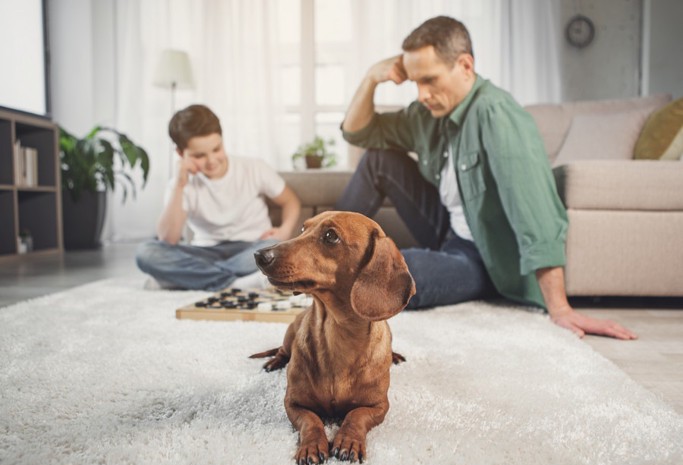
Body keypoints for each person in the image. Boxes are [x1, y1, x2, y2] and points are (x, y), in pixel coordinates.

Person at [335, 16, 636, 340]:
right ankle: (325, 249)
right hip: (448, 229)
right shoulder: (429, 114)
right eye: (415, 82)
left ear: (465, 66)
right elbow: (358, 132)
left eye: (430, 80)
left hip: (483, 256)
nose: (422, 93)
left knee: (388, 275)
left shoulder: (496, 114)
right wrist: (370, 79)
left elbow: (534, 211)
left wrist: (559, 308)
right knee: (378, 160)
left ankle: (331, 269)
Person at [136, 104, 301, 291]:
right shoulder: (180, 185)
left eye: (216, 149)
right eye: (199, 155)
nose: (211, 160)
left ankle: (181, 279)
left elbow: (290, 201)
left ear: (222, 140)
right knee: (146, 252)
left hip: (252, 248)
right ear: (181, 154)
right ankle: (235, 283)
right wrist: (180, 185)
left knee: (273, 248)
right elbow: (168, 239)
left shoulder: (254, 167)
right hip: (205, 251)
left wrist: (285, 230)